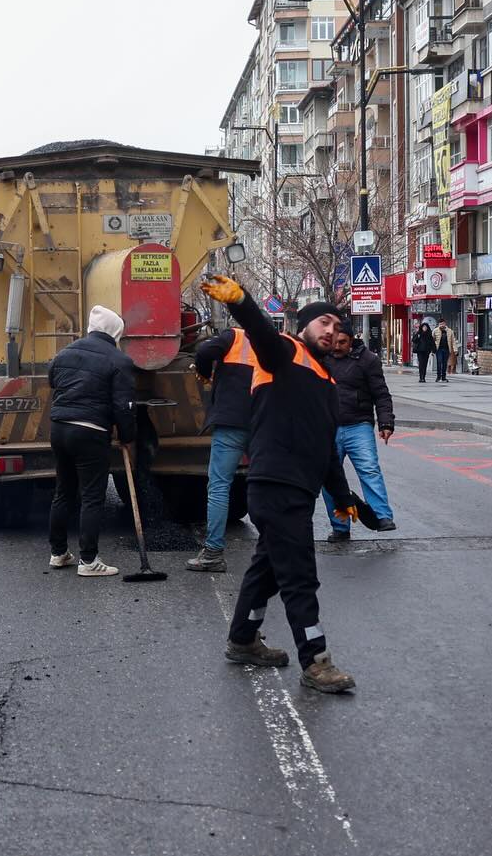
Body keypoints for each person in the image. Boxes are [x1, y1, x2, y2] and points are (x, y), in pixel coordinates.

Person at [200, 277, 359, 694]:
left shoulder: (324, 379)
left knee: (268, 570)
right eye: (322, 322)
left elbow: (325, 448)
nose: (331, 331)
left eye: (336, 327)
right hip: (277, 485)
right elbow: (261, 334)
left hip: (296, 489)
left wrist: (341, 497)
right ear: (303, 325)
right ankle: (317, 661)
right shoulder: (285, 353)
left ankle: (243, 638)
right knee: (300, 577)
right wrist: (241, 302)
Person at [46, 305, 136, 577]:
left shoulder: (64, 354)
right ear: (115, 332)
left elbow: (53, 381)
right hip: (90, 431)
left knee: (64, 491)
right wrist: (127, 436)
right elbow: (123, 406)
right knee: (92, 496)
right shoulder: (119, 360)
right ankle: (88, 561)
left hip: (59, 429)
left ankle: (58, 553)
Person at [187, 323, 257, 572]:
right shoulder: (279, 343)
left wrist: (206, 374)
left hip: (230, 422)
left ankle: (213, 553)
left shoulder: (235, 336)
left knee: (219, 486)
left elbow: (204, 352)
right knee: (270, 484)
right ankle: (281, 548)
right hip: (262, 422)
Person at [321, 328, 397, 541]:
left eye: (342, 342)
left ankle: (382, 517)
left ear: (351, 340)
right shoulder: (320, 357)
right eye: (334, 342)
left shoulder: (368, 360)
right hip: (328, 427)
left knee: (369, 469)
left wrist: (386, 422)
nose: (337, 347)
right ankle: (340, 527)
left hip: (358, 424)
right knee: (329, 478)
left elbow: (381, 393)